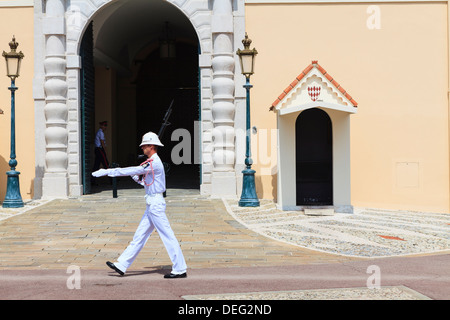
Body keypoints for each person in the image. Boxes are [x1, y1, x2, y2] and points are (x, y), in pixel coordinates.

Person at [92, 131, 187, 279]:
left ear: (151, 146)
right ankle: (122, 264)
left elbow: (134, 169)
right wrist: (137, 179)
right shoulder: (152, 163)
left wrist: (108, 172)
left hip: (155, 204)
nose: (142, 148)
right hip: (151, 203)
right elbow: (147, 183)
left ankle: (180, 269)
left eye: (144, 146)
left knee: (168, 236)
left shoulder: (153, 163)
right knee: (139, 236)